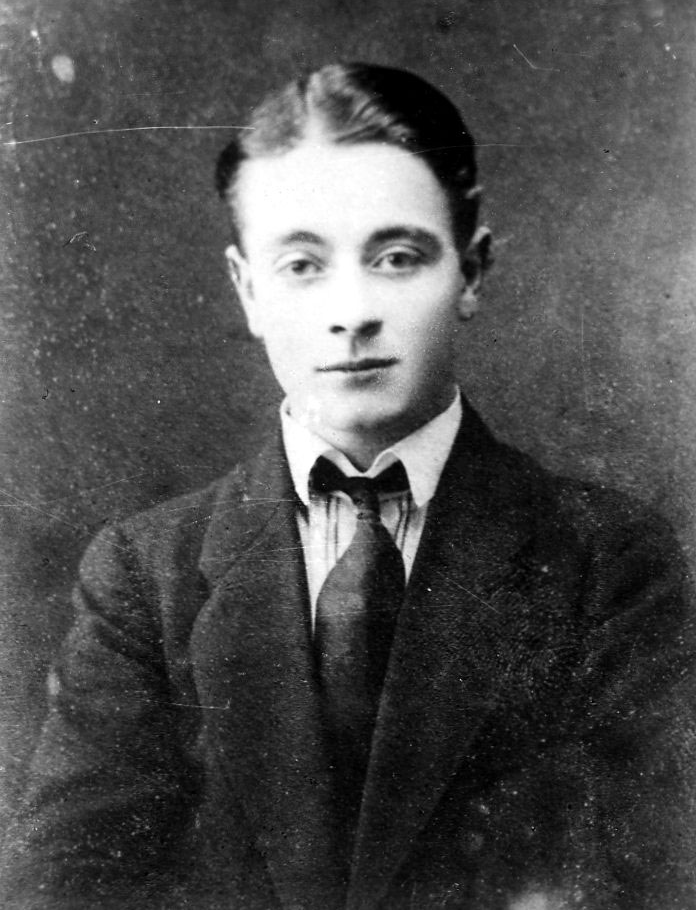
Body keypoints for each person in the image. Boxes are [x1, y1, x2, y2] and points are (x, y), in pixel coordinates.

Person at [2, 63, 695, 910]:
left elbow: (644, 878)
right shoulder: (145, 574)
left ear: (472, 271)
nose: (352, 311)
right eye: (302, 265)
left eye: (397, 258)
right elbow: (66, 885)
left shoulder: (605, 560)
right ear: (248, 291)